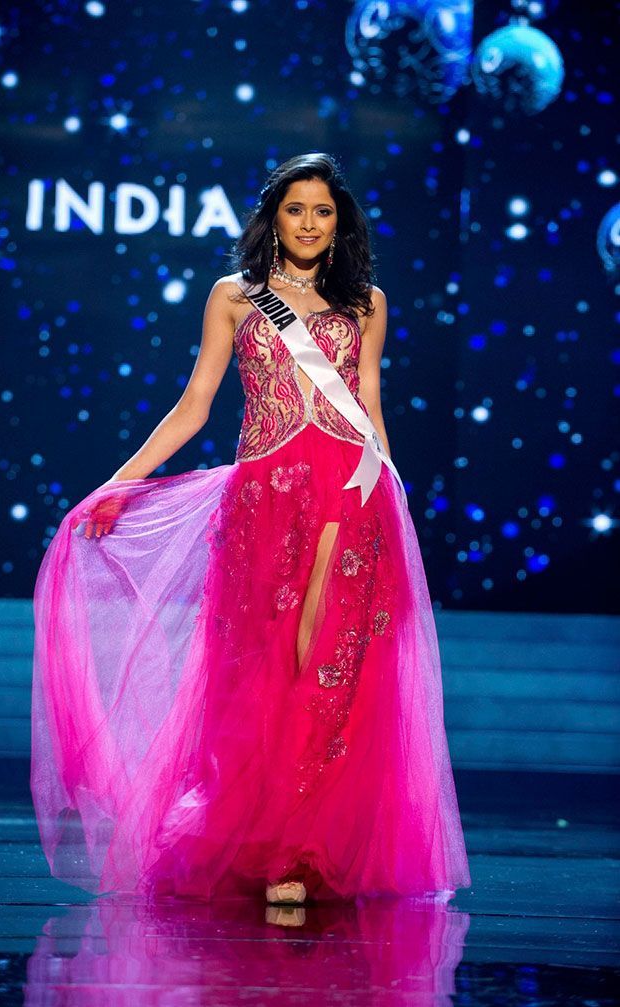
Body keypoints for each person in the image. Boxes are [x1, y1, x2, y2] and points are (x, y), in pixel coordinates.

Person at [30, 152, 471, 907]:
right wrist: (120, 483)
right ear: (274, 217)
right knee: (259, 674)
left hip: (349, 492)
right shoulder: (235, 296)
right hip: (265, 500)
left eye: (323, 211)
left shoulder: (367, 301)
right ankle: (263, 839)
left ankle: (301, 851)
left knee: (326, 668)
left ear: (340, 224)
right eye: (295, 208)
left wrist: (392, 499)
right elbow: (194, 403)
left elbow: (368, 401)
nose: (308, 223)